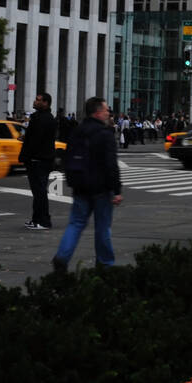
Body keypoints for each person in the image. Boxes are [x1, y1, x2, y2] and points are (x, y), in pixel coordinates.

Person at [51, 97, 122, 273]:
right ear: (97, 112)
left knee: (75, 224)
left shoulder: (77, 131)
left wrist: (72, 179)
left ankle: (62, 256)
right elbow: (111, 164)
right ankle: (105, 263)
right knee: (103, 227)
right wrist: (117, 189)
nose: (108, 113)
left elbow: (67, 157)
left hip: (80, 185)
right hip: (101, 187)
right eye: (106, 110)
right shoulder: (105, 134)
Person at [19, 91, 58, 230]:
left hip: (39, 160)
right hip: (38, 159)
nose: (35, 101)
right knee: (37, 192)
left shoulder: (44, 118)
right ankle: (36, 219)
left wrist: (28, 154)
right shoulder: (41, 117)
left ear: (45, 103)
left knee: (40, 191)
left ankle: (44, 221)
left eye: (38, 100)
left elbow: (37, 140)